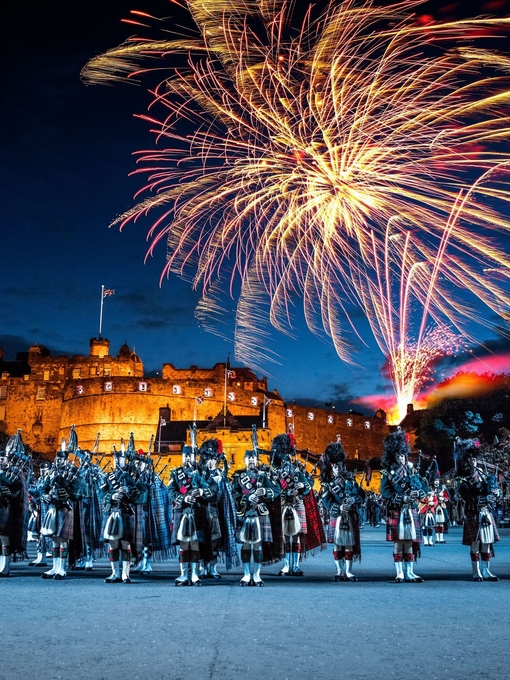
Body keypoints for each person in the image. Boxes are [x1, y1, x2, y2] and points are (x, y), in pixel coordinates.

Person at [380, 428, 427, 583]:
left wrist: (418, 493)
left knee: (409, 542)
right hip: (397, 510)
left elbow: (422, 486)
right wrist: (403, 497)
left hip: (411, 509)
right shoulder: (388, 472)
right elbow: (385, 492)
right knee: (398, 542)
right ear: (394, 455)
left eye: (403, 455)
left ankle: (410, 572)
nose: (402, 457)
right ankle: (399, 572)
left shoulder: (412, 471)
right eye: (399, 455)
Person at [232, 448, 283, 586]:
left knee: (258, 545)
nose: (251, 461)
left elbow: (277, 489)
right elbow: (234, 493)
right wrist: (246, 498)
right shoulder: (239, 476)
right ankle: (246, 574)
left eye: (253, 458)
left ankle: (257, 575)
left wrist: (265, 491)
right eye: (248, 459)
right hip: (246, 512)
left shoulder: (263, 476)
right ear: (244, 460)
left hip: (261, 512)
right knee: (246, 545)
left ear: (256, 460)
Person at [454, 437, 501, 581]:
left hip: (486, 512)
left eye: (475, 459)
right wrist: (485, 498)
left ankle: (486, 571)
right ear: (466, 461)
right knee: (475, 544)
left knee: (486, 543)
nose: (474, 462)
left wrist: (495, 492)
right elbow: (467, 497)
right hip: (473, 512)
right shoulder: (462, 479)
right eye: (471, 460)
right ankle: (476, 572)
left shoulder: (482, 474)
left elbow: (490, 490)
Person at [168, 443, 213, 586]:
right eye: (185, 455)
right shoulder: (176, 473)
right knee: (183, 544)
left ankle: (194, 574)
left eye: (190, 455)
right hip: (181, 512)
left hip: (197, 512)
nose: (187, 458)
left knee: (195, 543)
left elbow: (214, 489)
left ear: (195, 457)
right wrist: (184, 498)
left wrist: (201, 492)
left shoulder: (203, 473)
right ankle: (183, 574)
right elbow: (171, 491)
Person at [320, 439, 363, 581]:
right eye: (334, 467)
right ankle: (339, 571)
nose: (337, 468)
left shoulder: (350, 481)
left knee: (349, 544)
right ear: (331, 468)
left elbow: (361, 495)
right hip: (337, 516)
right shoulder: (328, 484)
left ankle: (349, 572)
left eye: (339, 466)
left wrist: (353, 500)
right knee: (338, 545)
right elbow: (326, 501)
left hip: (350, 515)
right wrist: (338, 507)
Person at [40, 434, 81, 580]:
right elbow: (43, 488)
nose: (60, 460)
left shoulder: (73, 472)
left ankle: (62, 568)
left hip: (65, 507)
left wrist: (67, 493)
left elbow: (78, 491)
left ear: (66, 459)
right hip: (53, 507)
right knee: (54, 539)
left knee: (63, 539)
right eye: (58, 458)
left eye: (62, 458)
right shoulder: (53, 472)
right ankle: (54, 567)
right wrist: (45, 495)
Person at [101, 437, 142, 584]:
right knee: (112, 543)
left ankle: (125, 574)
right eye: (116, 459)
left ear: (125, 460)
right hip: (112, 511)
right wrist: (111, 496)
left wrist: (128, 490)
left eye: (121, 459)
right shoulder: (109, 477)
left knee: (125, 543)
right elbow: (101, 494)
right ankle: (114, 573)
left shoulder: (132, 476)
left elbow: (139, 493)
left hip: (126, 512)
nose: (118, 462)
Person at [198, 438, 239, 578]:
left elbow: (224, 493)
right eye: (209, 458)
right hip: (202, 510)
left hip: (215, 511)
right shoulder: (199, 473)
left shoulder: (220, 473)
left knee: (215, 540)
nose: (211, 461)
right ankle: (203, 567)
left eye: (214, 458)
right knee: (202, 540)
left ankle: (213, 567)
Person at [0, 431, 30, 577]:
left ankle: (5, 566)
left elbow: (20, 490)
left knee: (4, 537)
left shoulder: (15, 472)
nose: (0, 461)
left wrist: (7, 492)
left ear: (8, 459)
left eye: (3, 458)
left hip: (8, 508)